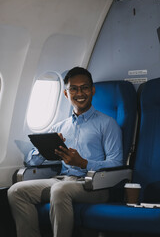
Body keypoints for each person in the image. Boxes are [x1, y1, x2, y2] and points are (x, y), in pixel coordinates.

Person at [8, 67, 123, 237]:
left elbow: (116, 163)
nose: (79, 93)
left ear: (92, 90)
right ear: (66, 94)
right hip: (61, 180)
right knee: (16, 191)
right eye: (73, 89)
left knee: (60, 190)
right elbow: (31, 162)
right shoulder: (60, 127)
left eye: (84, 87)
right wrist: (44, 148)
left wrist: (82, 163)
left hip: (94, 185)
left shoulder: (107, 124)